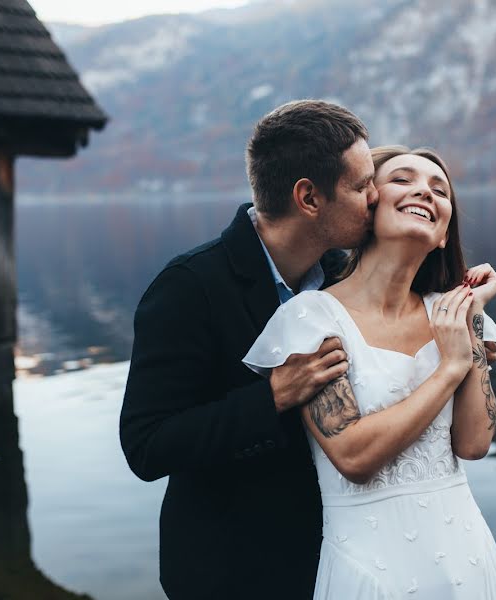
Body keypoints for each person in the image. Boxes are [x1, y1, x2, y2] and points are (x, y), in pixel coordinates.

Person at [120, 100, 379, 599]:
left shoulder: (347, 275)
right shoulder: (188, 287)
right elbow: (146, 446)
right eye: (360, 185)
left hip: (338, 563)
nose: (376, 196)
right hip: (232, 572)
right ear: (308, 198)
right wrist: (272, 397)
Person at [243, 146, 496, 598]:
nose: (423, 193)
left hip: (467, 556)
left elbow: (473, 444)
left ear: (445, 233)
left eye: (439, 189)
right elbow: (353, 457)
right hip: (372, 566)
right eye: (403, 180)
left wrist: (471, 327)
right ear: (368, 208)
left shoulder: (455, 314)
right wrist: (450, 368)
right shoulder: (310, 319)